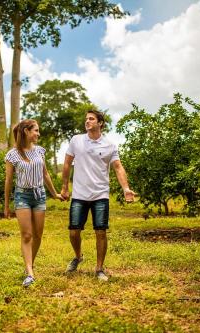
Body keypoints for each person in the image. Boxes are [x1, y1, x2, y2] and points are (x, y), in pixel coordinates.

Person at [60, 109, 135, 281]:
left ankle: (99, 269)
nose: (87, 121)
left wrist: (126, 188)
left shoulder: (109, 145)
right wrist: (65, 187)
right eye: (86, 119)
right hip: (79, 194)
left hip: (100, 194)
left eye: (91, 119)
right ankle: (78, 256)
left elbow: (117, 167)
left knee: (100, 231)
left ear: (100, 123)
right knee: (73, 231)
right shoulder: (76, 140)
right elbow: (66, 163)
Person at [4, 119, 63, 287]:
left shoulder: (39, 151)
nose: (38, 134)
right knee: (27, 235)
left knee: (37, 235)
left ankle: (30, 264)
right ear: (26, 132)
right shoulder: (12, 154)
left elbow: (45, 175)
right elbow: (8, 181)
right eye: (35, 130)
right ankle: (30, 273)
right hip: (22, 195)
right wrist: (7, 205)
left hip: (40, 195)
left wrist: (55, 194)